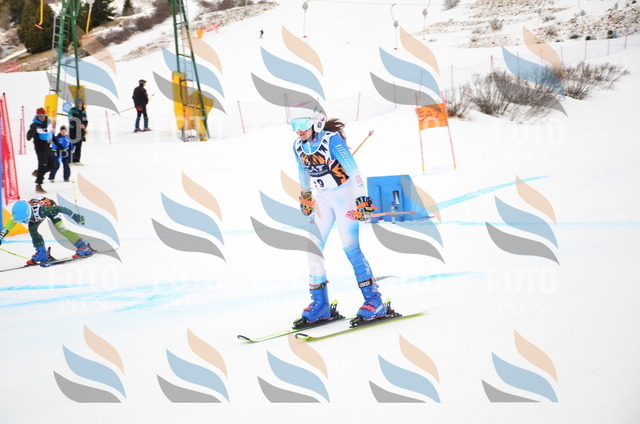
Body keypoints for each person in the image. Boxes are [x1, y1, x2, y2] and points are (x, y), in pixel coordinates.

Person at [290, 107, 385, 329]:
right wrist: (305, 195)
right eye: (294, 125)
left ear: (316, 123)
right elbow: (302, 171)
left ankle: (374, 301)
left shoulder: (331, 139)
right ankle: (320, 305)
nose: (298, 130)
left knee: (350, 248)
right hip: (324, 199)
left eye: (302, 124)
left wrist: (361, 198)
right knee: (312, 248)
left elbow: (354, 171)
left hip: (345, 196)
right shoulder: (298, 146)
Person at [0, 197, 93, 265]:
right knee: (32, 230)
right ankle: (42, 253)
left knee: (60, 228)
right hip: (35, 214)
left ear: (28, 215)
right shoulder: (19, 214)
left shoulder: (42, 211)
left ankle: (83, 246)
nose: (24, 223)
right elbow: (6, 229)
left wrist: (74, 216)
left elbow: (60, 208)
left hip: (50, 207)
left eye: (24, 221)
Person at [26, 107, 55, 193]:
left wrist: (57, 143)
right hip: (40, 148)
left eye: (43, 116)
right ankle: (38, 185)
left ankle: (38, 173)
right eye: (39, 116)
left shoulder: (48, 122)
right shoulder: (34, 125)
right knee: (43, 165)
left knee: (52, 164)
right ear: (37, 116)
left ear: (45, 115)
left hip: (48, 146)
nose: (41, 117)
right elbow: (28, 136)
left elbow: (51, 134)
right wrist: (30, 134)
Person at [68, 97, 88, 165]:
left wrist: (84, 125)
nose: (80, 104)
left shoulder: (83, 111)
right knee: (71, 146)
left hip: (80, 131)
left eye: (81, 103)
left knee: (78, 147)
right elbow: (71, 119)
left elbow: (85, 120)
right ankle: (69, 160)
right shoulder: (72, 110)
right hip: (73, 130)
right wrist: (78, 124)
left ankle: (77, 160)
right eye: (79, 103)